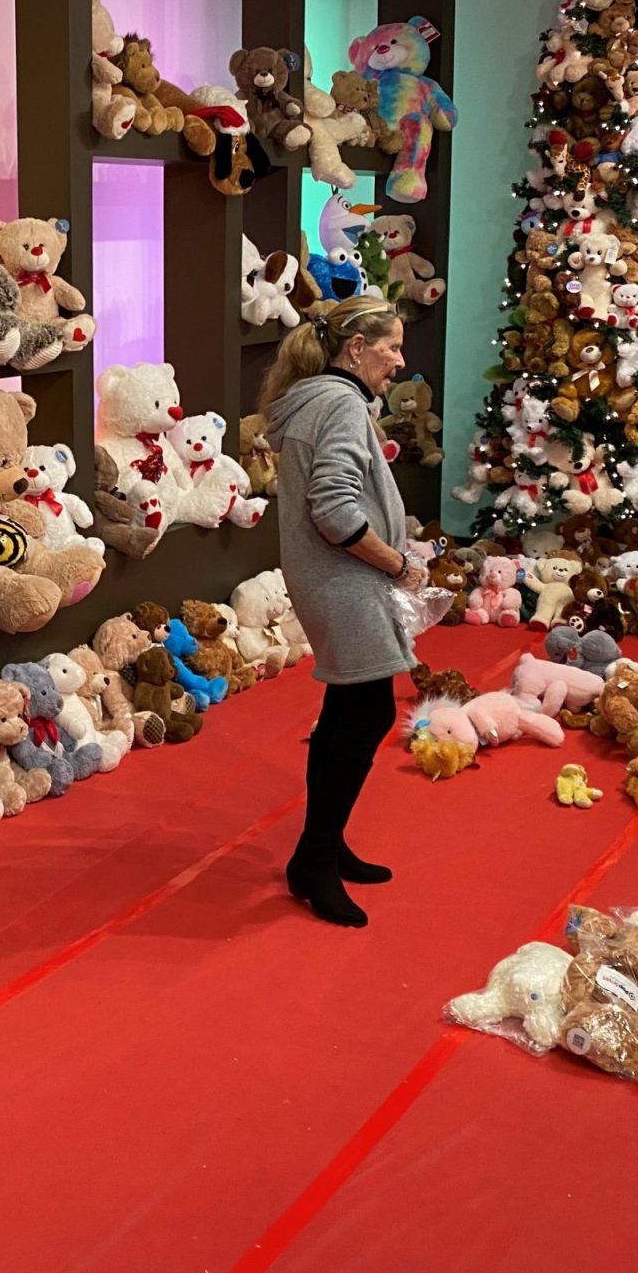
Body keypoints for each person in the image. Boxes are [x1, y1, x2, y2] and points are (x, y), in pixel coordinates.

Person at [257, 295, 423, 927]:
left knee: (345, 713)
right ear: (356, 348)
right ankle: (315, 858)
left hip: (332, 579)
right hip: (345, 581)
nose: (399, 361)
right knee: (366, 714)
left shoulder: (315, 399)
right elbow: (334, 509)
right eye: (392, 347)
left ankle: (322, 848)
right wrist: (397, 564)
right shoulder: (342, 404)